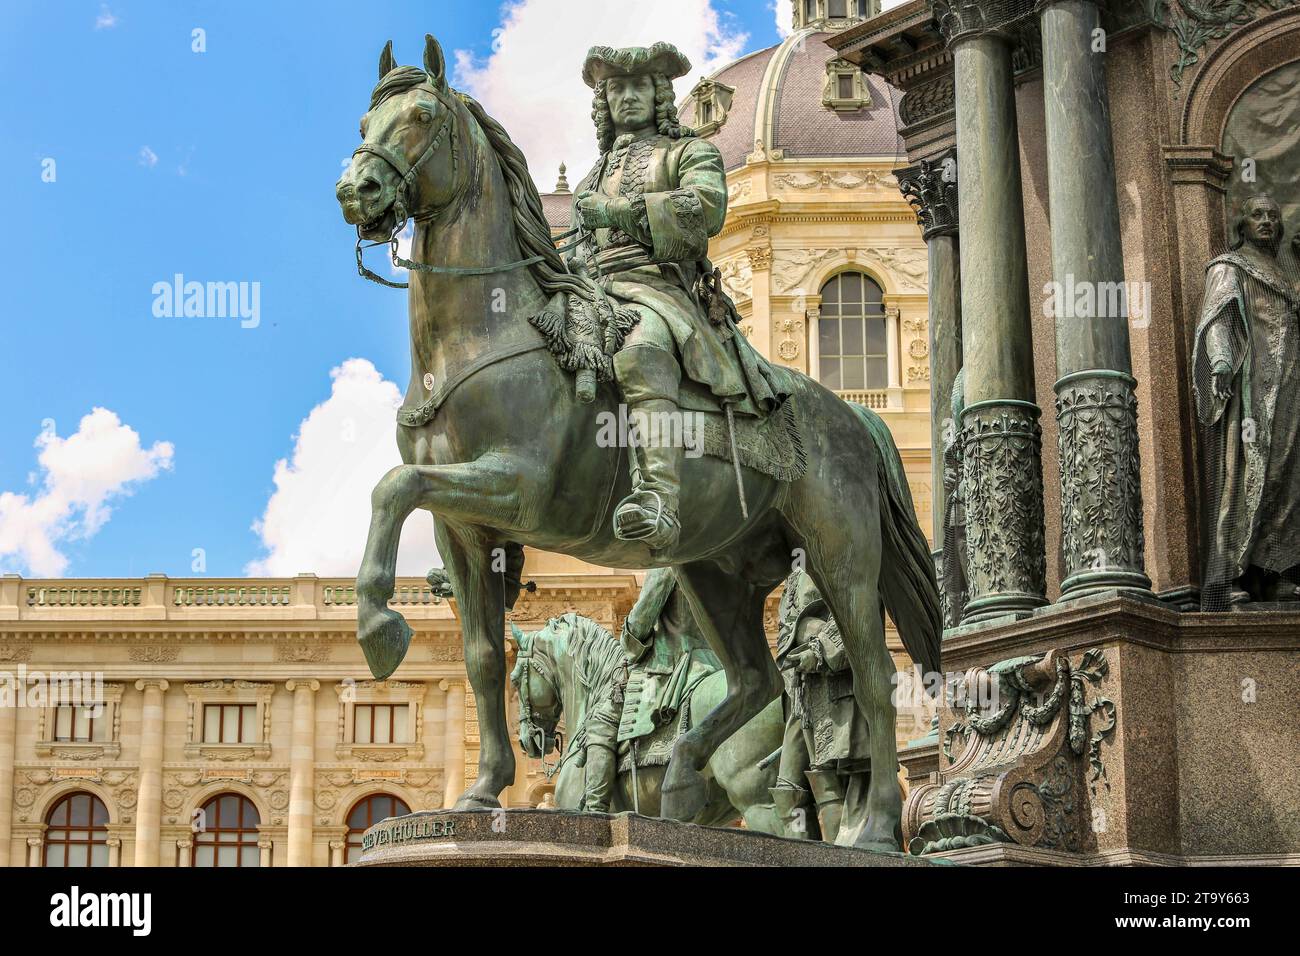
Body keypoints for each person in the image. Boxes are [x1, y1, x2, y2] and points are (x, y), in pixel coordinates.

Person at [572, 42, 786, 552]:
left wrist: (618, 212)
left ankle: (658, 497)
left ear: (658, 95)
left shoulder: (691, 151)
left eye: (638, 86)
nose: (626, 97)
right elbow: (576, 243)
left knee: (641, 348)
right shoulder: (591, 176)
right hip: (591, 289)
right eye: (616, 89)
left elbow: (703, 212)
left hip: (658, 287)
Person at [1193, 194, 1300, 607]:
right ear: (1242, 224)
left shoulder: (1287, 273)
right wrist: (1220, 362)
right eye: (1258, 215)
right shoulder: (1229, 267)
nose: (1267, 222)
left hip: (1290, 388)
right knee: (1246, 473)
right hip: (1253, 390)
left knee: (1287, 476)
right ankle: (1234, 571)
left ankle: (1276, 570)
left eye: (1274, 215)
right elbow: (1217, 315)